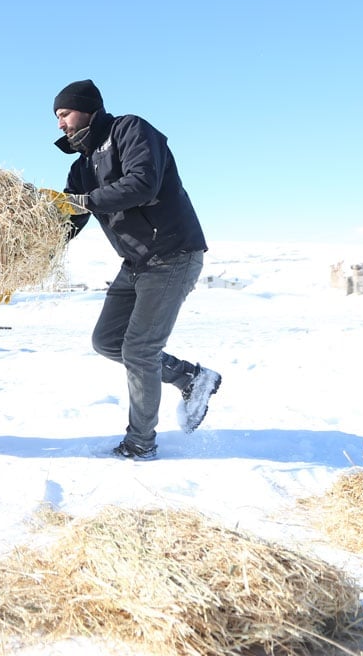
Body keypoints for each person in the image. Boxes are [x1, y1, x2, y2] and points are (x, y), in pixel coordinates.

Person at [42, 79, 221, 461]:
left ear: (87, 108)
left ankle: (140, 443)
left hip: (173, 253)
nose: (60, 124)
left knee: (140, 350)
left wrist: (84, 200)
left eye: (64, 114)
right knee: (107, 341)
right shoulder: (81, 167)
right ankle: (190, 377)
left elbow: (142, 183)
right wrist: (35, 243)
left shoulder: (131, 129)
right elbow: (71, 217)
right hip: (136, 262)